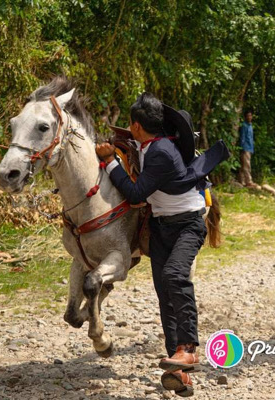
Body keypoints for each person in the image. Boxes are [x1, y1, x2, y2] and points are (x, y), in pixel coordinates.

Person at [96, 93, 229, 397]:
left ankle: (190, 349)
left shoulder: (160, 152)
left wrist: (109, 163)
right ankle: (178, 370)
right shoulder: (145, 145)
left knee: (174, 277)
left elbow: (135, 193)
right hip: (160, 226)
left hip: (187, 225)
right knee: (164, 295)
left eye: (130, 124)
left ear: (138, 126)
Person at [237, 110, 259, 188]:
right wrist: (242, 148)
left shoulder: (250, 126)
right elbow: (242, 137)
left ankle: (242, 181)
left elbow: (251, 138)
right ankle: (249, 181)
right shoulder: (244, 126)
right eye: (248, 116)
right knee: (247, 165)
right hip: (245, 148)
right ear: (245, 117)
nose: (250, 117)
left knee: (244, 165)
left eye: (251, 115)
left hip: (250, 148)